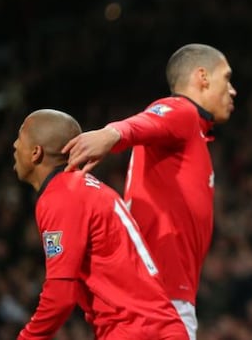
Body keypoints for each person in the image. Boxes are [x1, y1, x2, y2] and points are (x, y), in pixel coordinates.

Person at [62, 43, 236, 340]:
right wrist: (111, 134)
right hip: (161, 301)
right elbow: (148, 121)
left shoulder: (191, 135)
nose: (232, 90)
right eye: (227, 78)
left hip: (155, 298)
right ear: (202, 77)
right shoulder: (182, 111)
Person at [12, 109, 188, 340]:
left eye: (20, 138)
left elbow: (60, 296)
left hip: (132, 330)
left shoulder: (61, 196)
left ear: (36, 153)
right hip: (160, 326)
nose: (14, 146)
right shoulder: (90, 188)